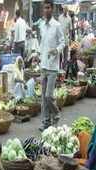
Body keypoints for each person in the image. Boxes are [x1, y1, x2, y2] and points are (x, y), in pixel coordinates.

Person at [37, 0, 65, 131]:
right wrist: (37, 56)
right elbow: (42, 43)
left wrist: (57, 50)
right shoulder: (42, 25)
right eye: (45, 8)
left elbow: (63, 42)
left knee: (49, 95)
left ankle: (56, 113)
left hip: (53, 67)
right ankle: (46, 122)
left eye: (48, 8)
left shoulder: (57, 25)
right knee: (43, 97)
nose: (46, 10)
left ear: (52, 9)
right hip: (43, 64)